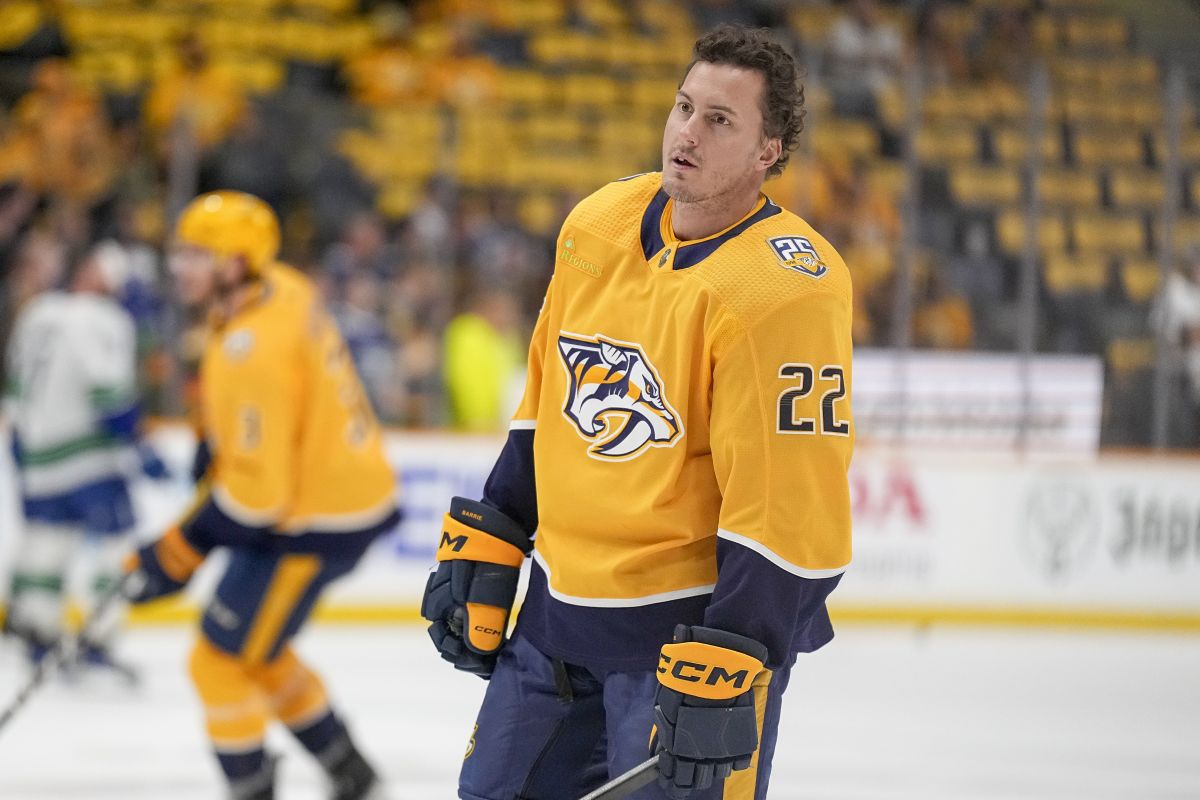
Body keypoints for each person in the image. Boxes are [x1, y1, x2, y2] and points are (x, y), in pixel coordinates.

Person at [421, 24, 854, 800]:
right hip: (555, 620)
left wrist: (739, 646)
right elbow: (547, 399)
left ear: (769, 151)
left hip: (682, 642)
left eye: (720, 120)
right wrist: (500, 522)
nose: (687, 132)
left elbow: (791, 497)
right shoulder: (600, 224)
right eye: (684, 107)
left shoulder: (786, 288)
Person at [123, 191, 400, 800]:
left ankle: (251, 789)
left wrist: (177, 550)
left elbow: (258, 500)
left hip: (313, 519)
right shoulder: (277, 286)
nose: (181, 266)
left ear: (235, 263)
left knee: (217, 660)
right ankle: (349, 768)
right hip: (332, 499)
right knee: (258, 650)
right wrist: (218, 437)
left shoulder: (256, 349)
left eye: (199, 254)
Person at [4, 239, 163, 679]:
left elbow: (15, 388)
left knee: (47, 541)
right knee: (118, 542)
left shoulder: (38, 312)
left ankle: (36, 632)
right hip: (86, 456)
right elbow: (108, 393)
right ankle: (97, 635)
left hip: (35, 452)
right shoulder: (100, 317)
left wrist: (22, 445)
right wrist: (139, 445)